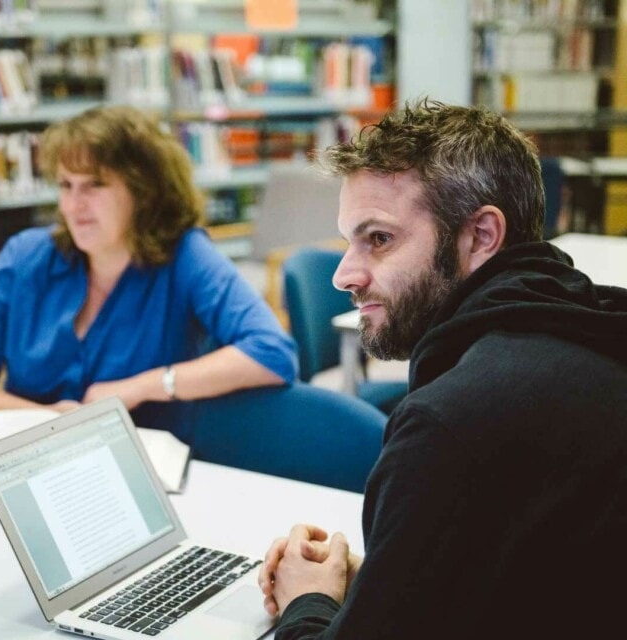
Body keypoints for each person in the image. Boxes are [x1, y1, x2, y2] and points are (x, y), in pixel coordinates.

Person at [258, 99, 627, 639]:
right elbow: (533, 577)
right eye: (348, 241)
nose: (344, 274)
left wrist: (307, 600)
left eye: (378, 239)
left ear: (480, 236)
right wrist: (385, 575)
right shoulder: (590, 333)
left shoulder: (451, 425)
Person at [0, 106, 297, 432]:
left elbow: (272, 352)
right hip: (33, 464)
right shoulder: (27, 257)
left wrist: (142, 386)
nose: (74, 205)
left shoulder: (185, 256)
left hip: (153, 477)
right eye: (66, 185)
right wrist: (48, 421)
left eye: (94, 186)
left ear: (144, 191)